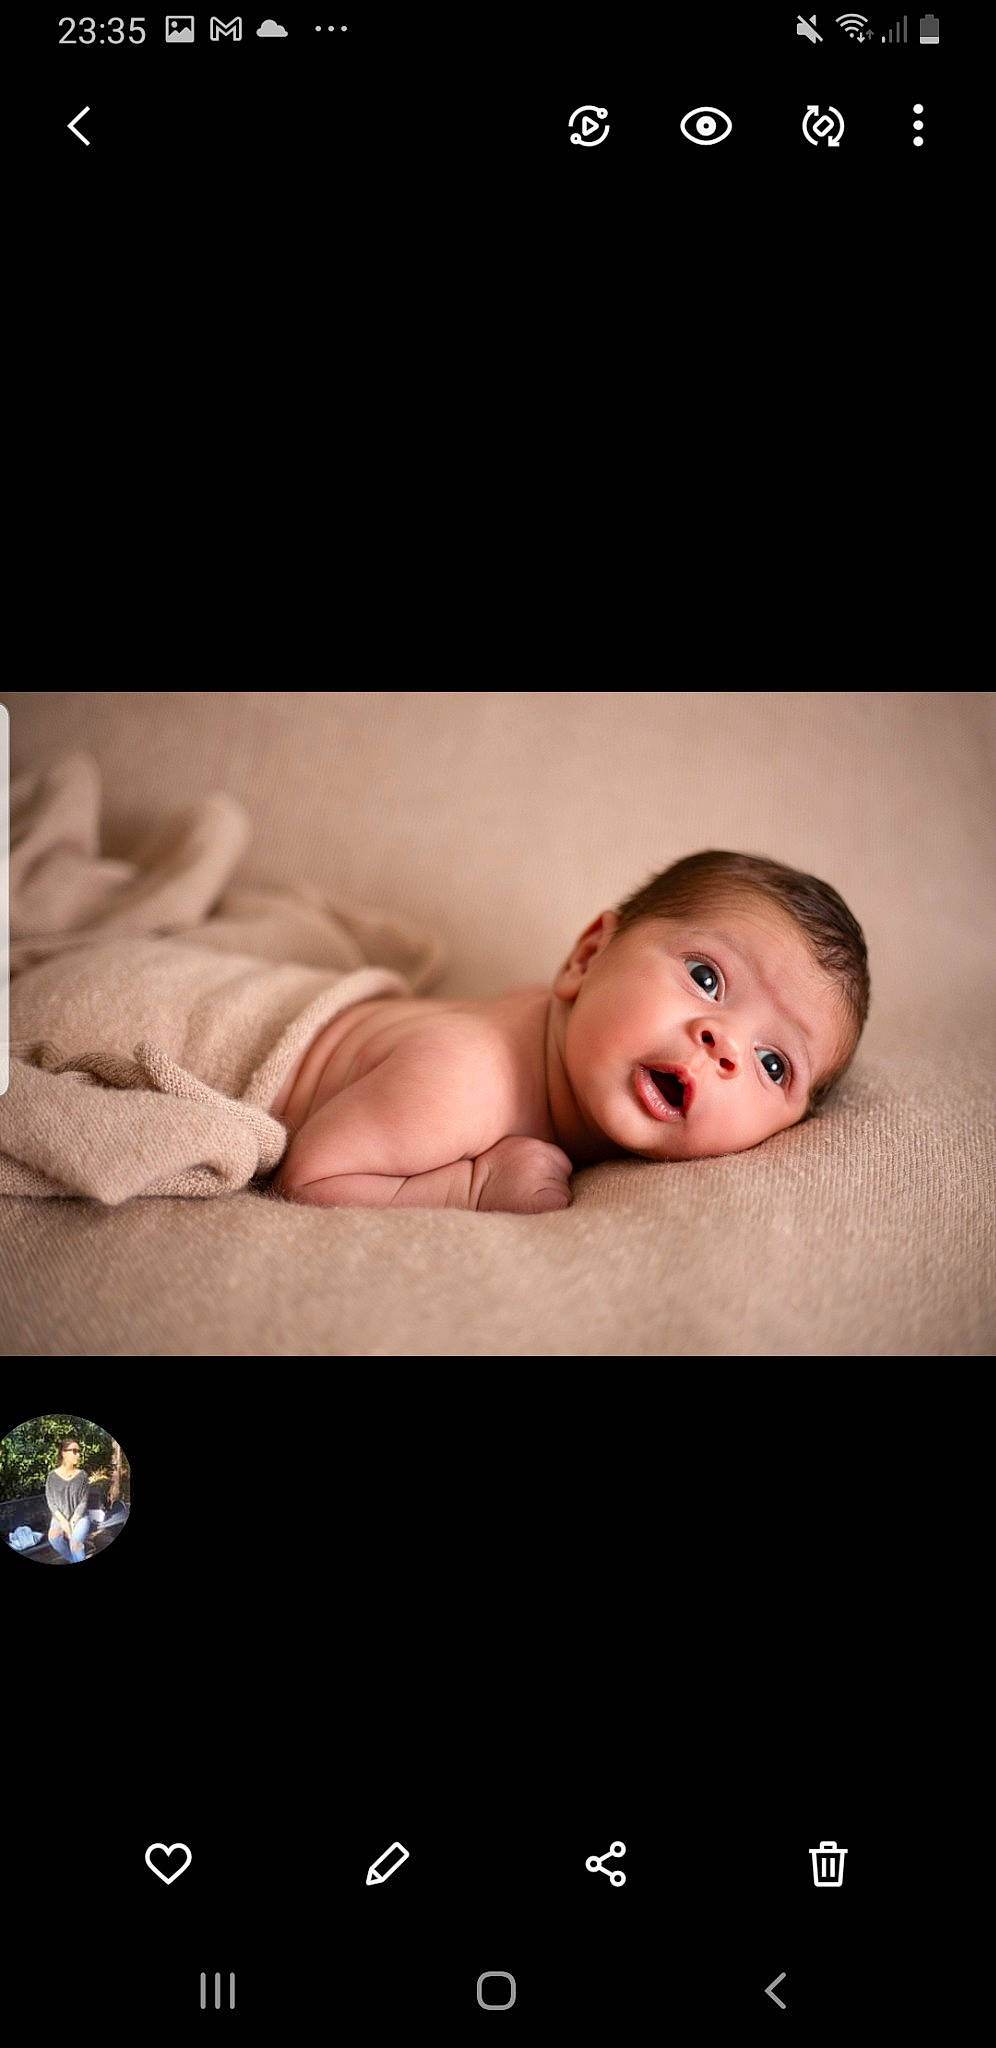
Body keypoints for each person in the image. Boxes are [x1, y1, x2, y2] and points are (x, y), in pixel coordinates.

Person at [270, 848, 870, 1211]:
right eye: (706, 978)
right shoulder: (466, 1078)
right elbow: (314, 1175)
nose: (727, 1044)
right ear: (588, 958)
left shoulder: (571, 1044)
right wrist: (473, 1189)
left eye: (774, 1065)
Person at [45, 1436, 91, 1563]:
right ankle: (72, 1559)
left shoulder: (82, 1476)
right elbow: (51, 1501)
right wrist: (64, 1522)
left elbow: (83, 1502)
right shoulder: (52, 1476)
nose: (78, 1454)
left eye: (79, 1451)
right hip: (59, 1518)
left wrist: (72, 1522)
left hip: (80, 1517)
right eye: (74, 1451)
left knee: (75, 1544)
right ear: (63, 1453)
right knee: (53, 1537)